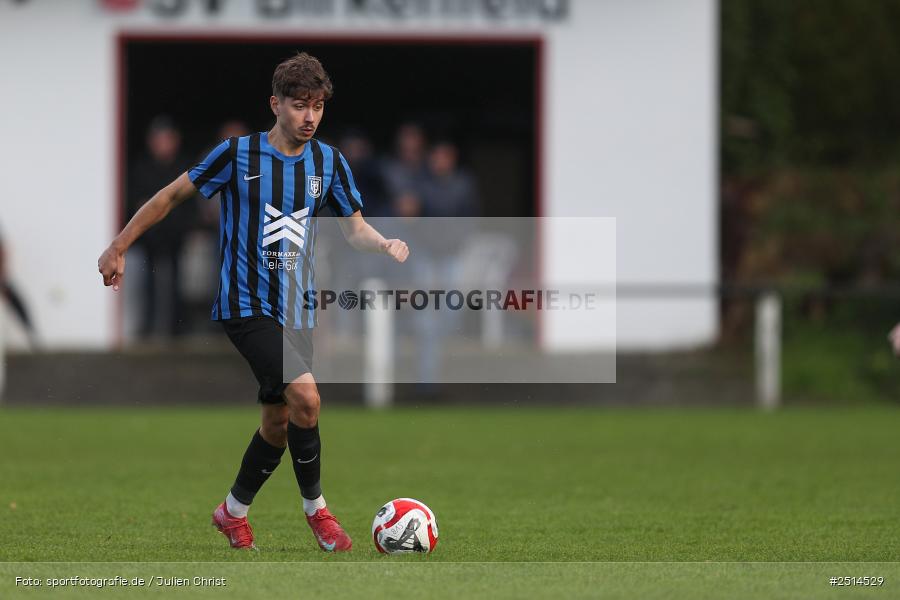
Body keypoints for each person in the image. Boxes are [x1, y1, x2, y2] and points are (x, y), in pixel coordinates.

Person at [98, 52, 409, 552]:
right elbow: (170, 197)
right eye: (300, 105)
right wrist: (119, 244)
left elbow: (354, 230)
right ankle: (318, 512)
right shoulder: (235, 155)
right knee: (307, 398)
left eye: (318, 106)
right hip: (246, 306)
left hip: (298, 308)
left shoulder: (329, 162)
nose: (310, 116)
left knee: (280, 422)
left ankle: (232, 512)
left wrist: (384, 243)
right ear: (276, 104)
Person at [128, 116, 192, 338]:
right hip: (150, 236)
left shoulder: (185, 168)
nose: (162, 144)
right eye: (158, 139)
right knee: (147, 283)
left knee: (177, 282)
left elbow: (191, 204)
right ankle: (147, 328)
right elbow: (135, 202)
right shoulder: (142, 168)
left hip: (175, 236)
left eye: (166, 139)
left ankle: (177, 329)